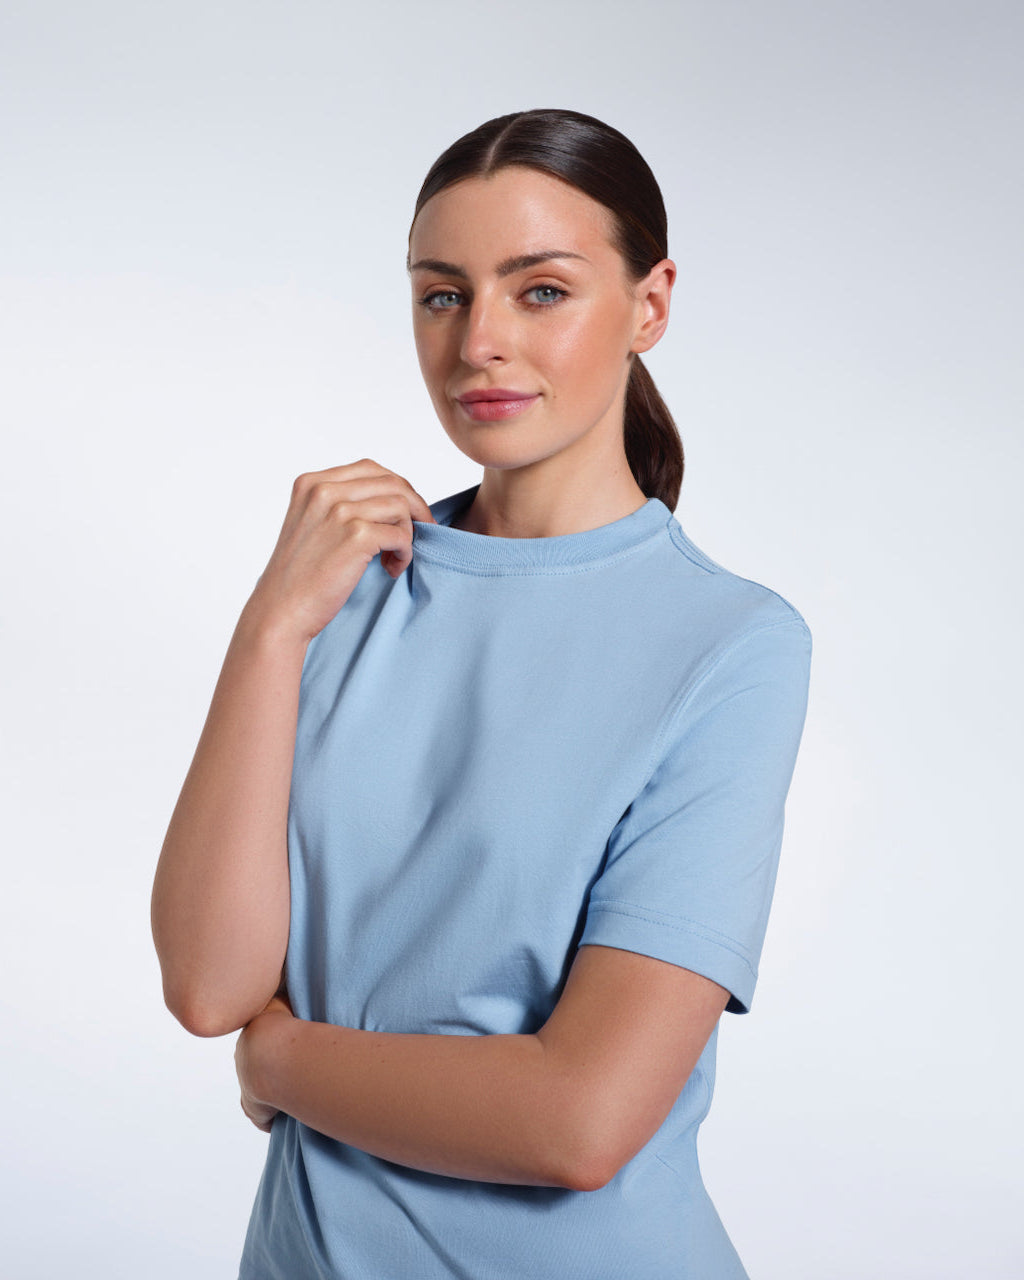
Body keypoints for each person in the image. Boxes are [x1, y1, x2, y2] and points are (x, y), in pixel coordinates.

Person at [151, 107, 813, 1279]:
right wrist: (268, 626)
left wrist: (281, 1065)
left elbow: (577, 1119)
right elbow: (211, 984)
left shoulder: (728, 644)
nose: (478, 344)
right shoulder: (337, 589)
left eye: (541, 290)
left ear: (649, 304)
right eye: (442, 294)